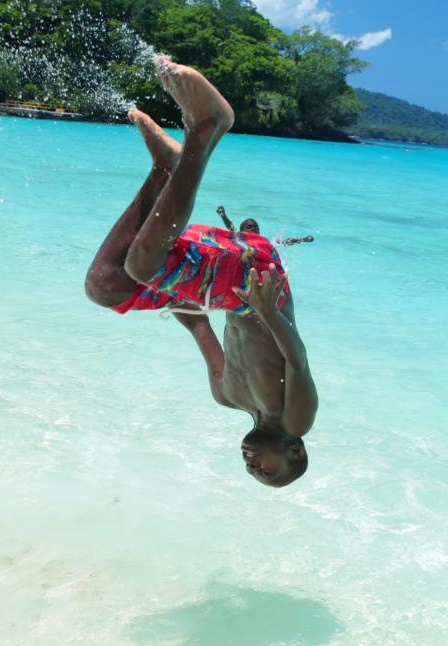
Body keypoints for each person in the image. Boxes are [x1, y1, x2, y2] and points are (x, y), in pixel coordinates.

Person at [83, 58, 318, 488]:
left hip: (230, 297)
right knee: (143, 265)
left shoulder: (226, 397)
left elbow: (199, 328)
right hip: (260, 287)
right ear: (294, 452)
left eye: (252, 472)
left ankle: (163, 170)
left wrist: (177, 302)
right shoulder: (296, 421)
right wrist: (267, 309)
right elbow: (297, 359)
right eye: (266, 469)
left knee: (106, 286)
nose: (252, 464)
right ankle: (206, 127)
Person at [217, 205, 315, 246]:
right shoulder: (239, 237)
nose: (253, 228)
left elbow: (283, 242)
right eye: (249, 227)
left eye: (256, 227)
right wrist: (223, 215)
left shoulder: (264, 242)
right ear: (242, 230)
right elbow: (230, 227)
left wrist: (302, 240)